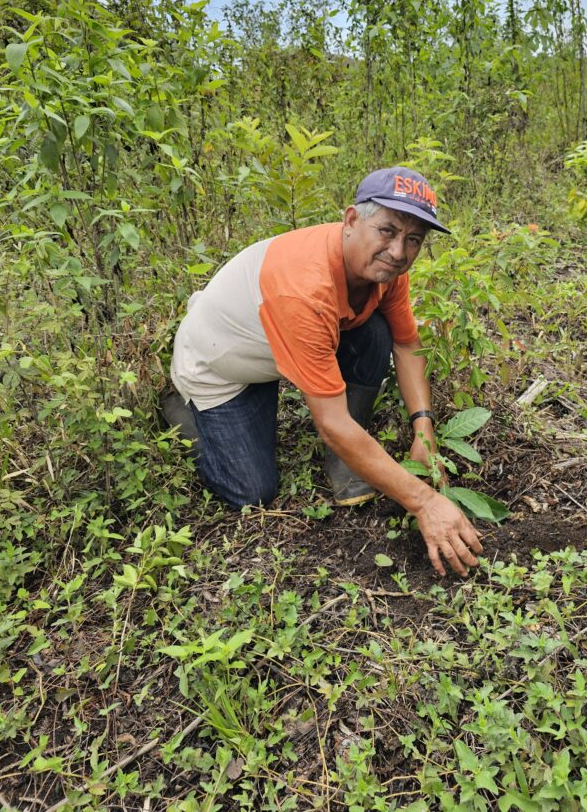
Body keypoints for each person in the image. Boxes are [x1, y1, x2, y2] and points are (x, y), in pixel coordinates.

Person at [163, 166, 483, 577]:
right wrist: (424, 501)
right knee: (251, 491)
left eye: (413, 240)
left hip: (276, 347)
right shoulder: (304, 288)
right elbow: (330, 422)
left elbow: (406, 342)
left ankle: (348, 458)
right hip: (220, 368)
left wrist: (424, 429)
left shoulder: (384, 270)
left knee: (377, 331)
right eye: (387, 231)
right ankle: (179, 407)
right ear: (352, 220)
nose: (399, 252)